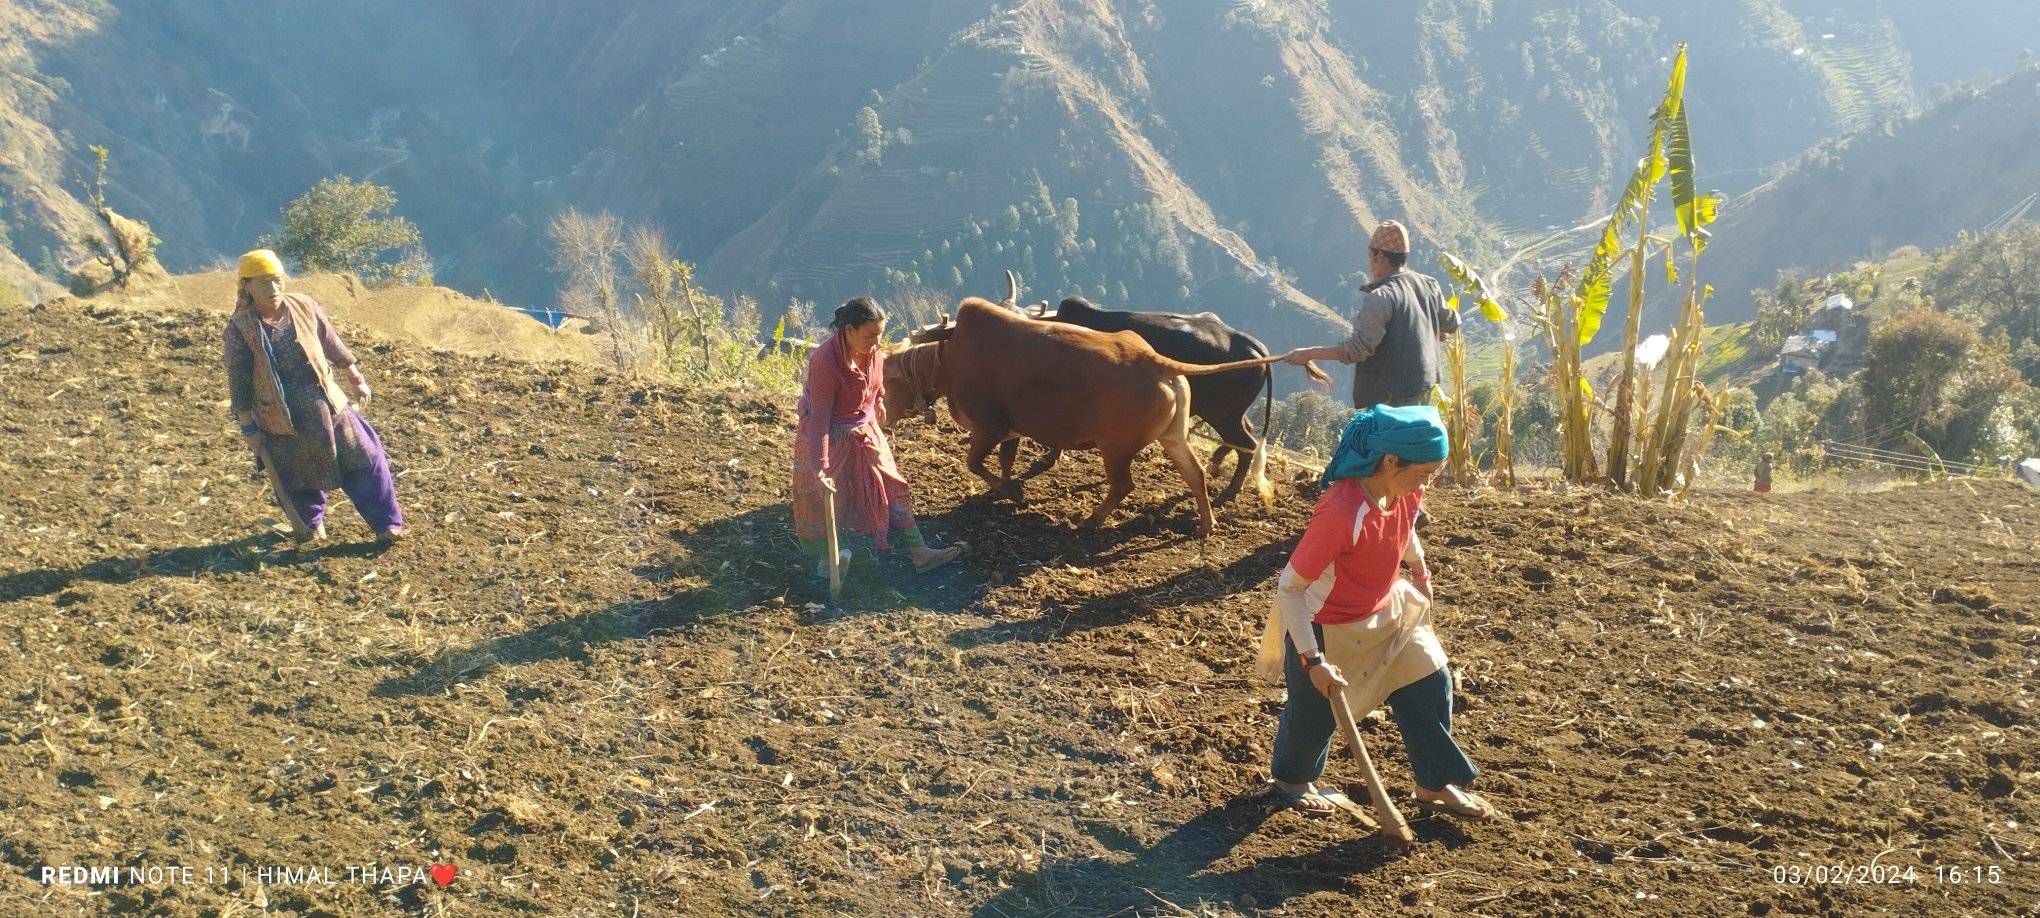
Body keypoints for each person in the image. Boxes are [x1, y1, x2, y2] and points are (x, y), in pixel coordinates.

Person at [1255, 404, 1496, 820]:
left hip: (1387, 607)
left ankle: (1433, 783)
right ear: (1389, 461)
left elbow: (1404, 530)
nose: (1428, 482)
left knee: (1430, 680)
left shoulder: (1407, 488)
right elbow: (1290, 588)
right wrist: (1312, 660)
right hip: (1326, 623)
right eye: (1424, 472)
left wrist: (1419, 569)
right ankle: (1293, 780)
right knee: (1314, 713)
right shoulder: (1340, 512)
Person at [223, 249, 406, 544]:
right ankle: (309, 526)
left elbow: (331, 342)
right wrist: (248, 427)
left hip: (328, 405)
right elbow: (239, 381)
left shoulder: (304, 306)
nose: (273, 289)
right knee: (295, 476)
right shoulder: (240, 330)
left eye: (277, 280)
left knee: (365, 459)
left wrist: (356, 378)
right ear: (247, 287)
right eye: (263, 283)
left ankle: (387, 525)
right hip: (281, 420)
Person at [792, 297, 966, 581]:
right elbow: (820, 419)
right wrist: (820, 466)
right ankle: (828, 561)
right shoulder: (825, 363)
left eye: (879, 335)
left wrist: (880, 400)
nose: (875, 343)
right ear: (848, 330)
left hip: (864, 427)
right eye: (869, 336)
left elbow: (877, 378)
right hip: (830, 435)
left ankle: (919, 552)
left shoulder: (872, 351)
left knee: (891, 483)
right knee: (829, 497)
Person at [1279, 220, 1460, 410]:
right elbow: (1452, 322)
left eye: (1370, 256)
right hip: (1423, 386)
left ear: (1379, 257)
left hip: (1392, 399)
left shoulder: (1381, 297)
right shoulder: (1427, 284)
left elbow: (1357, 350)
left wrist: (1308, 353)